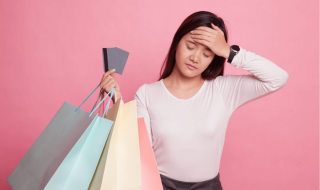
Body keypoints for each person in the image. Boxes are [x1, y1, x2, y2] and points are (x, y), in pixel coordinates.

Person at [99, 11, 289, 190]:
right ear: (177, 42)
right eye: (190, 46)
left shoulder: (223, 90)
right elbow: (139, 149)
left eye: (207, 53)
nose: (195, 57)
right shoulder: (147, 93)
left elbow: (277, 78)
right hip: (159, 186)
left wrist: (228, 51)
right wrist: (117, 101)